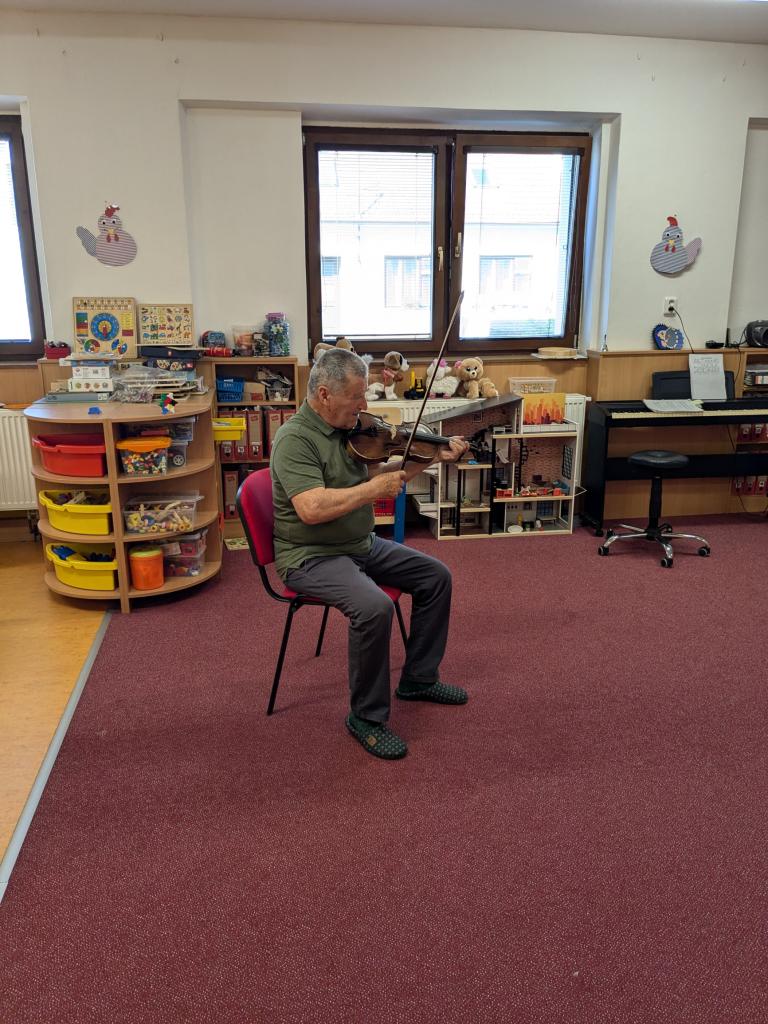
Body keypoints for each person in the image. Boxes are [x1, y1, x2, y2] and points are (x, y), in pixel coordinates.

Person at [270, 347, 470, 760]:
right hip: (310, 555)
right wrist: (372, 489)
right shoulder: (294, 440)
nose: (364, 405)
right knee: (374, 607)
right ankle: (366, 717)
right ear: (324, 394)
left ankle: (418, 679)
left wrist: (432, 455)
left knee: (436, 577)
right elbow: (311, 508)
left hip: (360, 545)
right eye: (356, 396)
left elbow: (384, 476)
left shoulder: (351, 430)